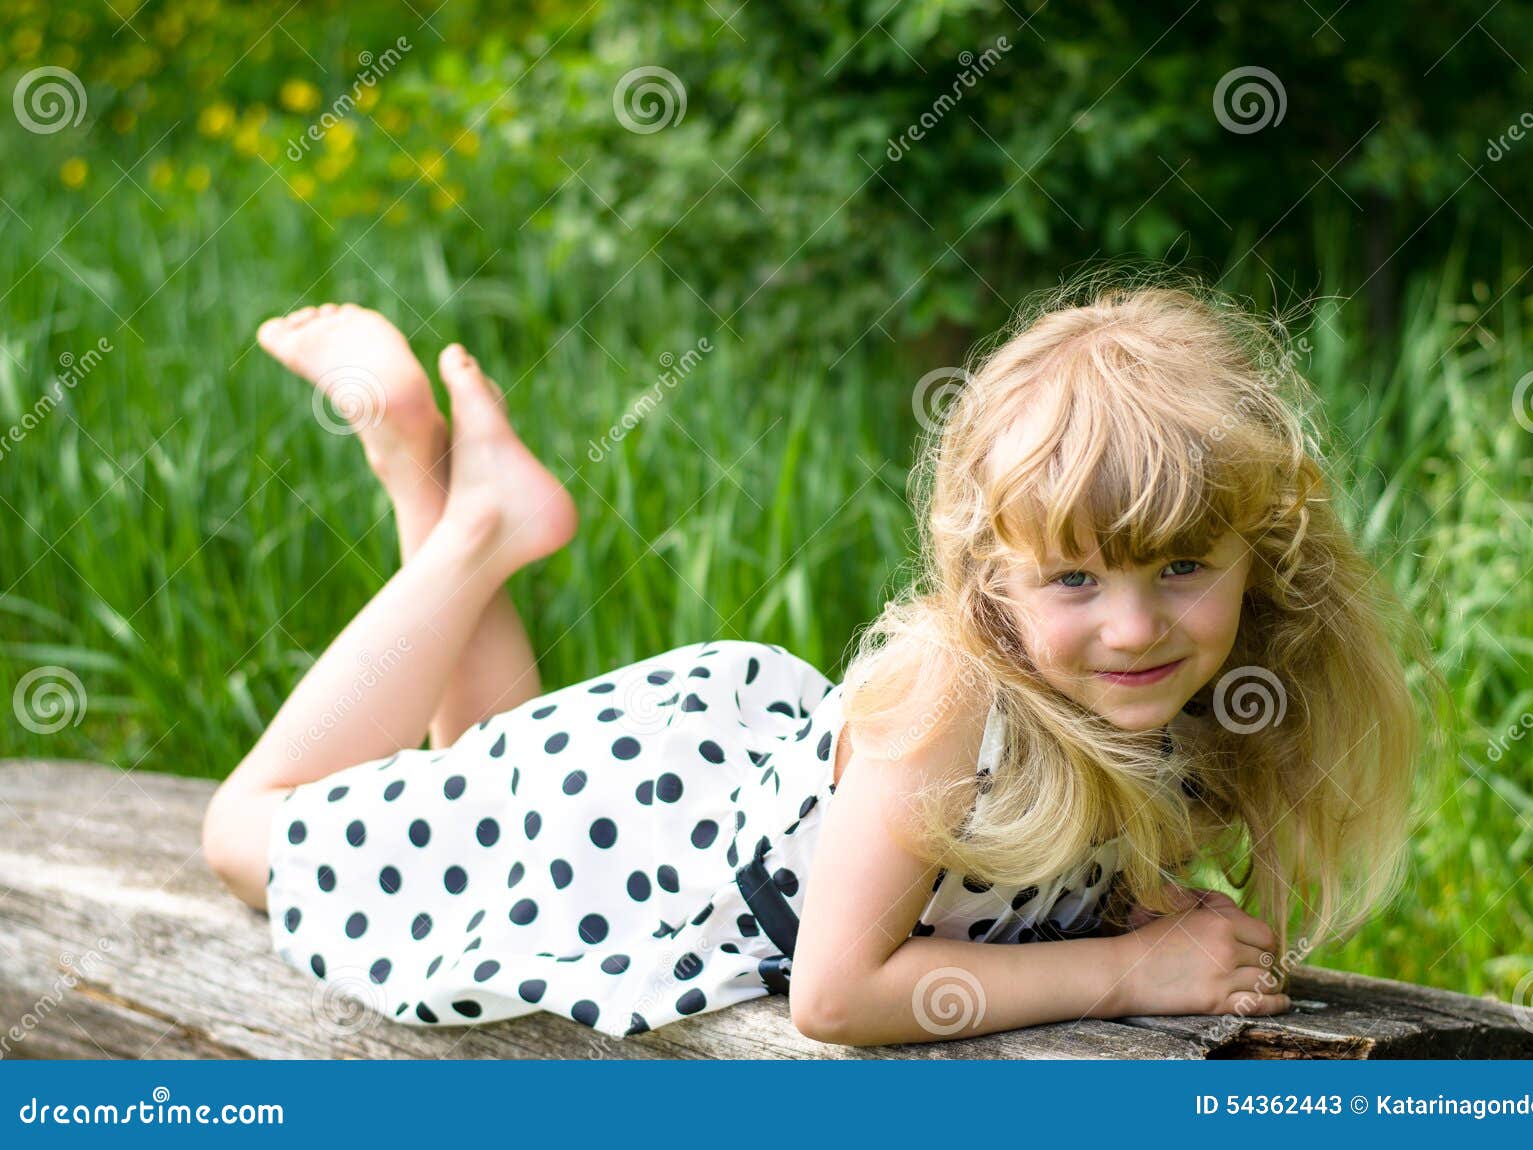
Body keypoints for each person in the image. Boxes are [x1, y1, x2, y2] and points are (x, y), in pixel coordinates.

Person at [203, 279, 1432, 1046]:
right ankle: (472, 526)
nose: (1133, 628)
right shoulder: (954, 692)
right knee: (241, 832)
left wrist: (1155, 911)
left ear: (1249, 551)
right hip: (642, 845)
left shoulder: (1205, 689)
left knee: (474, 763)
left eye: (1179, 569)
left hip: (668, 815)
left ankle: (441, 479)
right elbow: (835, 997)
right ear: (988, 571)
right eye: (1076, 578)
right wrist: (1123, 970)